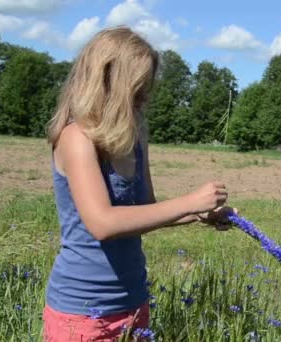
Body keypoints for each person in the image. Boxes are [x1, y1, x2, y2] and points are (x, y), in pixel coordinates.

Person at [42, 26, 235, 341]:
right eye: (140, 84)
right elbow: (102, 223)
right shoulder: (76, 139)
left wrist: (201, 214)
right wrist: (189, 202)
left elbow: (148, 212)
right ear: (109, 80)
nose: (146, 94)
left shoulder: (134, 141)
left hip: (133, 303)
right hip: (83, 312)